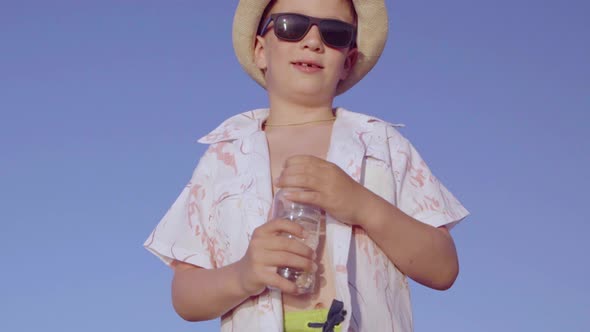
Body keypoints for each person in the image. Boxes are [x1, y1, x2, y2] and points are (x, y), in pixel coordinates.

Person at [143, 0, 469, 331]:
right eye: (291, 26)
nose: (313, 41)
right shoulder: (224, 157)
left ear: (349, 60)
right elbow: (185, 294)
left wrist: (362, 205)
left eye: (334, 33)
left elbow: (443, 268)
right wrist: (244, 274)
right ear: (260, 51)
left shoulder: (382, 146)